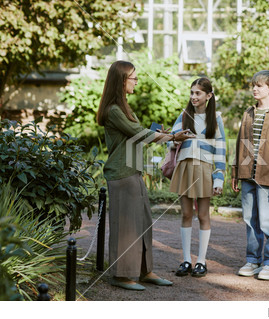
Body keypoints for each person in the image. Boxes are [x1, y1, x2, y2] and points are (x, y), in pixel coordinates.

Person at [96, 60, 192, 291]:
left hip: (133, 172)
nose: (136, 81)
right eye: (133, 78)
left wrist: (160, 134)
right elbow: (138, 133)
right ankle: (121, 275)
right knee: (125, 226)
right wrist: (171, 138)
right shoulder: (114, 111)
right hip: (121, 173)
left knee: (143, 223)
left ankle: (144, 271)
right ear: (121, 80)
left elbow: (138, 136)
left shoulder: (126, 108)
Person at [231, 70, 269, 281]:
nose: (254, 89)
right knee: (250, 220)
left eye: (259, 86)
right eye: (253, 85)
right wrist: (235, 170)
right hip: (247, 174)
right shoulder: (248, 113)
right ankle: (253, 260)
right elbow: (240, 142)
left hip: (268, 178)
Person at [169, 77, 226, 278]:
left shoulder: (216, 119)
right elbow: (171, 142)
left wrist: (219, 177)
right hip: (185, 166)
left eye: (198, 93)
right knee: (185, 214)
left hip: (204, 169)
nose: (194, 96)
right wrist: (176, 139)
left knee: (203, 215)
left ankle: (201, 261)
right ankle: (186, 260)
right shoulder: (183, 116)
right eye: (192, 92)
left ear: (208, 96)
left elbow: (221, 149)